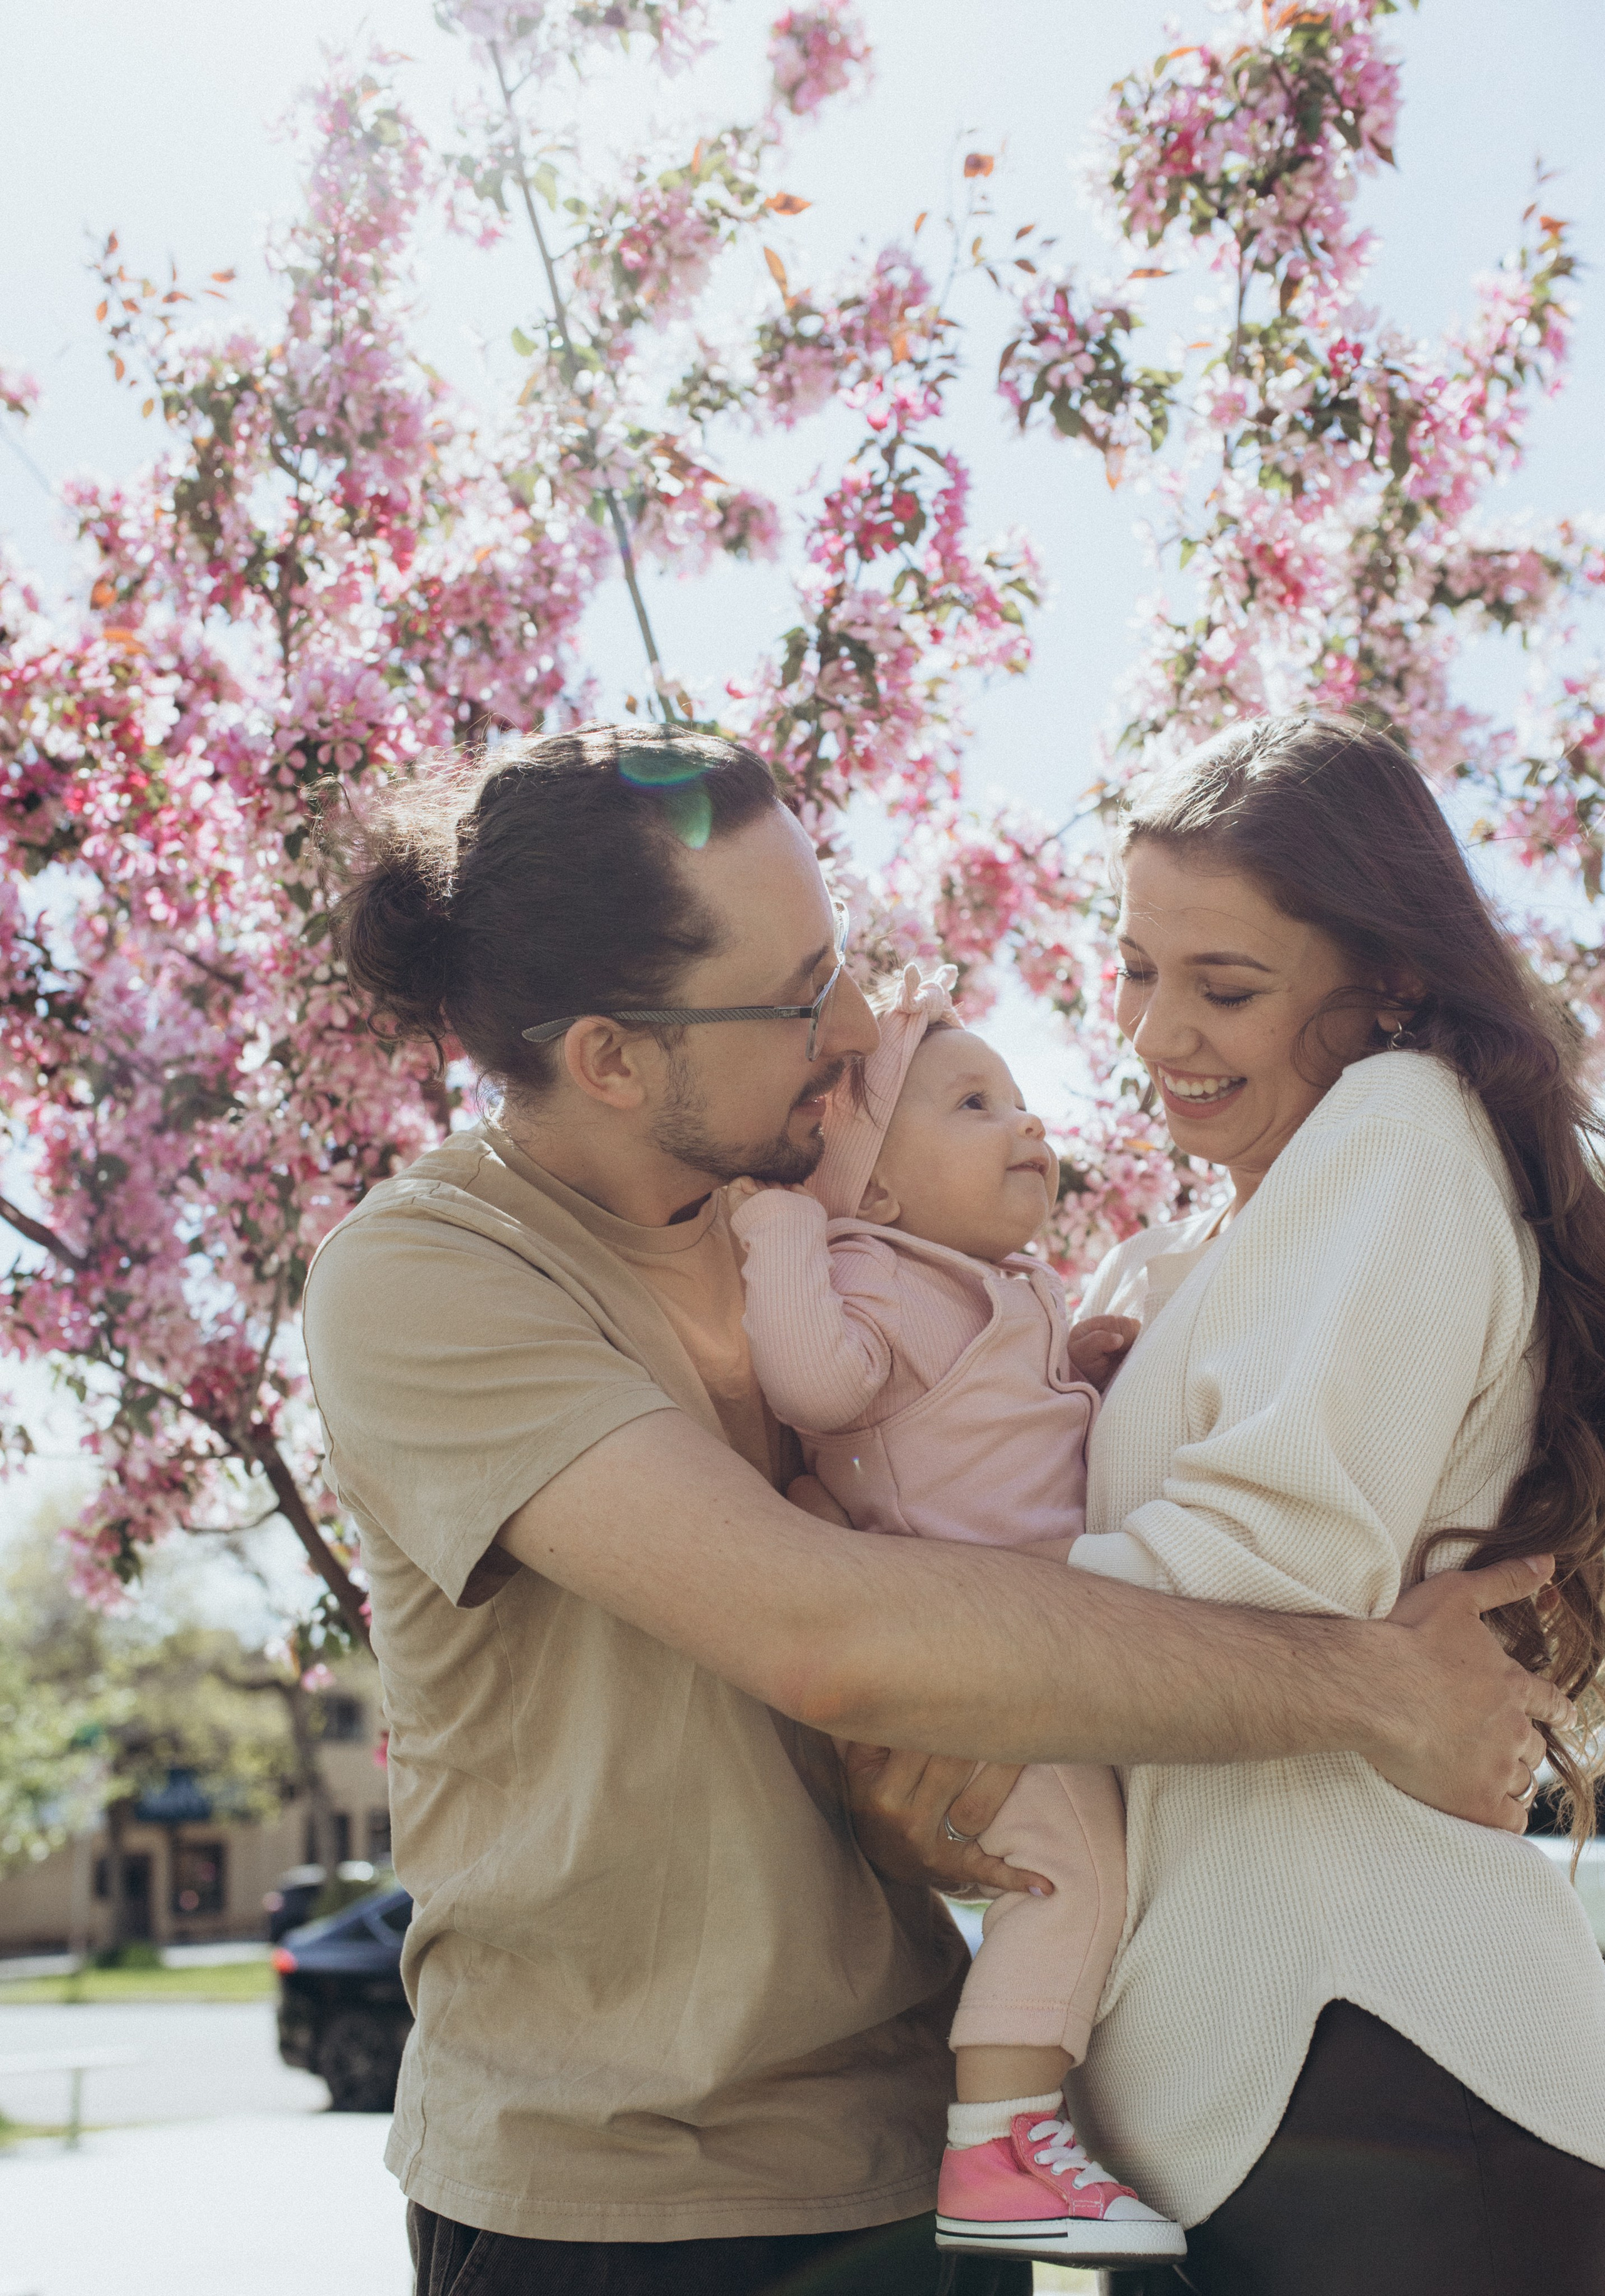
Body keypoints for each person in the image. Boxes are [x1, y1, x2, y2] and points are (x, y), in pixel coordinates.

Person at [303, 721, 1565, 2296]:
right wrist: (1370, 1684)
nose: (851, 1027)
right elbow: (826, 1634)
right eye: (794, 996)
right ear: (613, 1058)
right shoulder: (435, 1276)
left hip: (914, 2145)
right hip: (628, 2187)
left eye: (839, 960)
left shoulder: (838, 1237)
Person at [866, 712, 1605, 2296]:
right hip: (1257, 2086)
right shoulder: (1182, 1255)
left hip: (1389, 2059)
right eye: (1135, 968)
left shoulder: (1396, 1133)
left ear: (1388, 981)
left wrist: (884, 1635)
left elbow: (1257, 1572)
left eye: (1225, 985)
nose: (1153, 1032)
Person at [730, 962, 1181, 2268]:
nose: (1025, 1122)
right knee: (1072, 1875)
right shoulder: (872, 1272)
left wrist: (1084, 1367)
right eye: (973, 1102)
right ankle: (997, 2147)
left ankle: (1035, 2120)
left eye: (1020, 1096)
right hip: (973, 1665)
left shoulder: (1004, 1283)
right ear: (869, 1187)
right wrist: (784, 1235)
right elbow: (816, 1384)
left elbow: (1014, 1430)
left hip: (1034, 1650)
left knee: (1094, 1876)